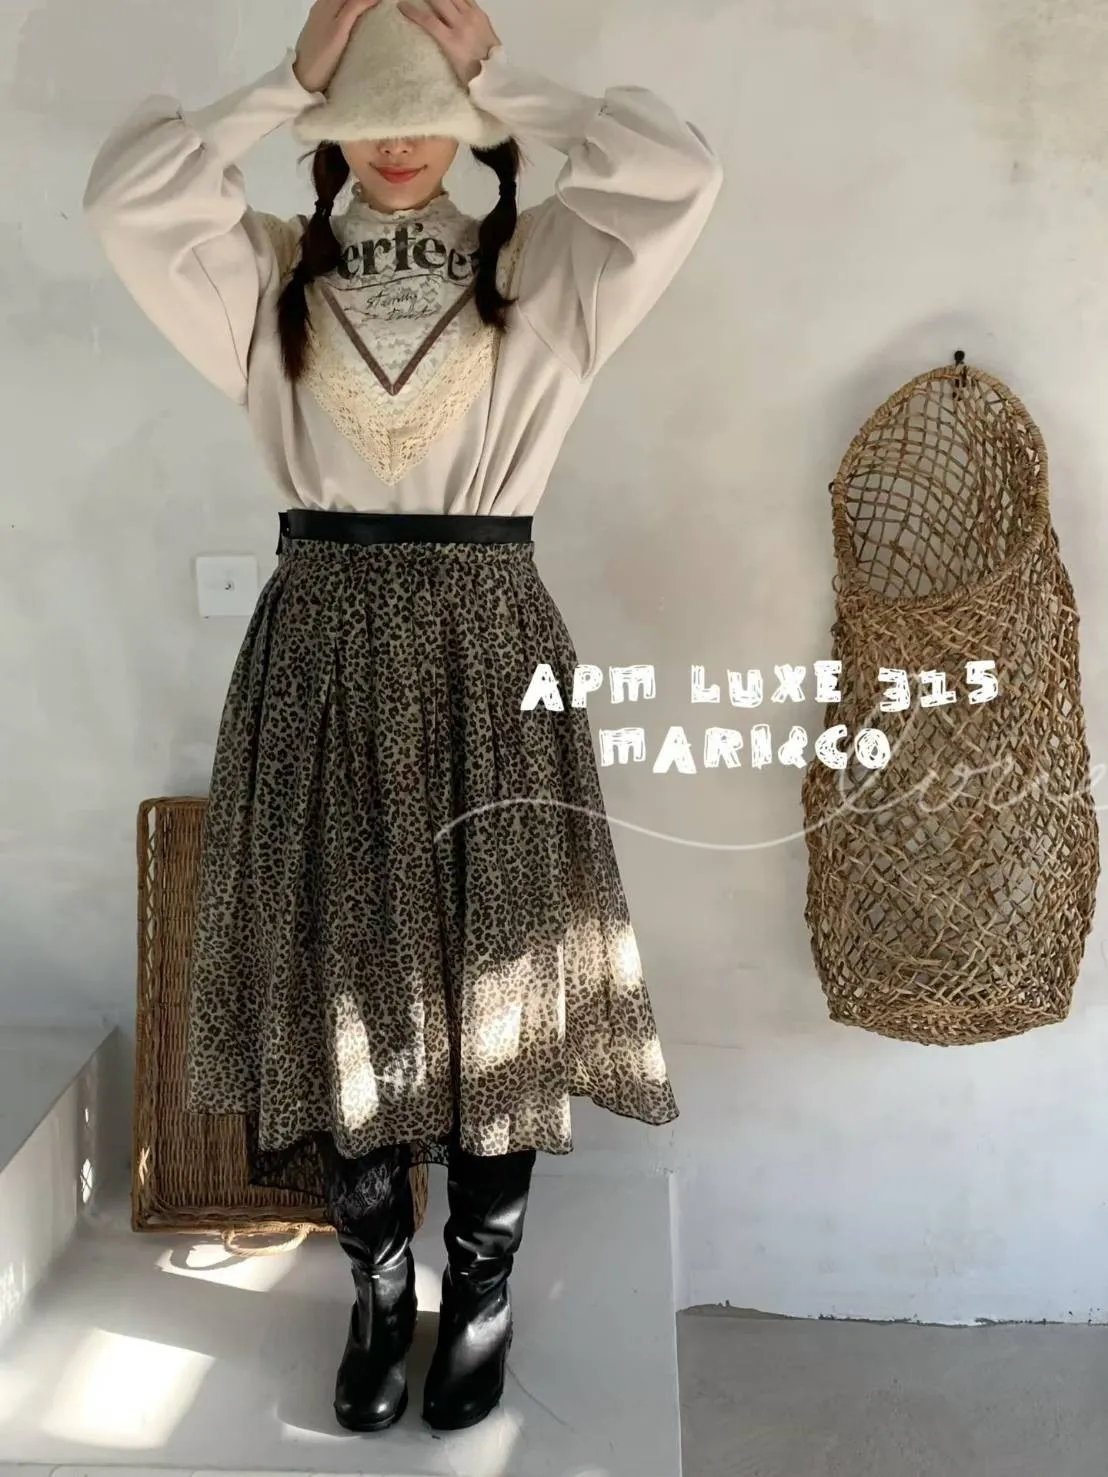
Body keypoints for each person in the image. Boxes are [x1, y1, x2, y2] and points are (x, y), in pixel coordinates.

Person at [83, 0, 722, 1438]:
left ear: (473, 122)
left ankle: (480, 1287)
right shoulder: (268, 274)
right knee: (336, 977)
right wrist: (283, 78)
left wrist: (504, 78)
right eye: (366, 115)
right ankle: (377, 1283)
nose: (399, 142)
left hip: (488, 643)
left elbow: (681, 175)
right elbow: (125, 198)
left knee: (501, 969)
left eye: (427, 111)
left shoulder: (541, 266)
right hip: (317, 646)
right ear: (327, 132)